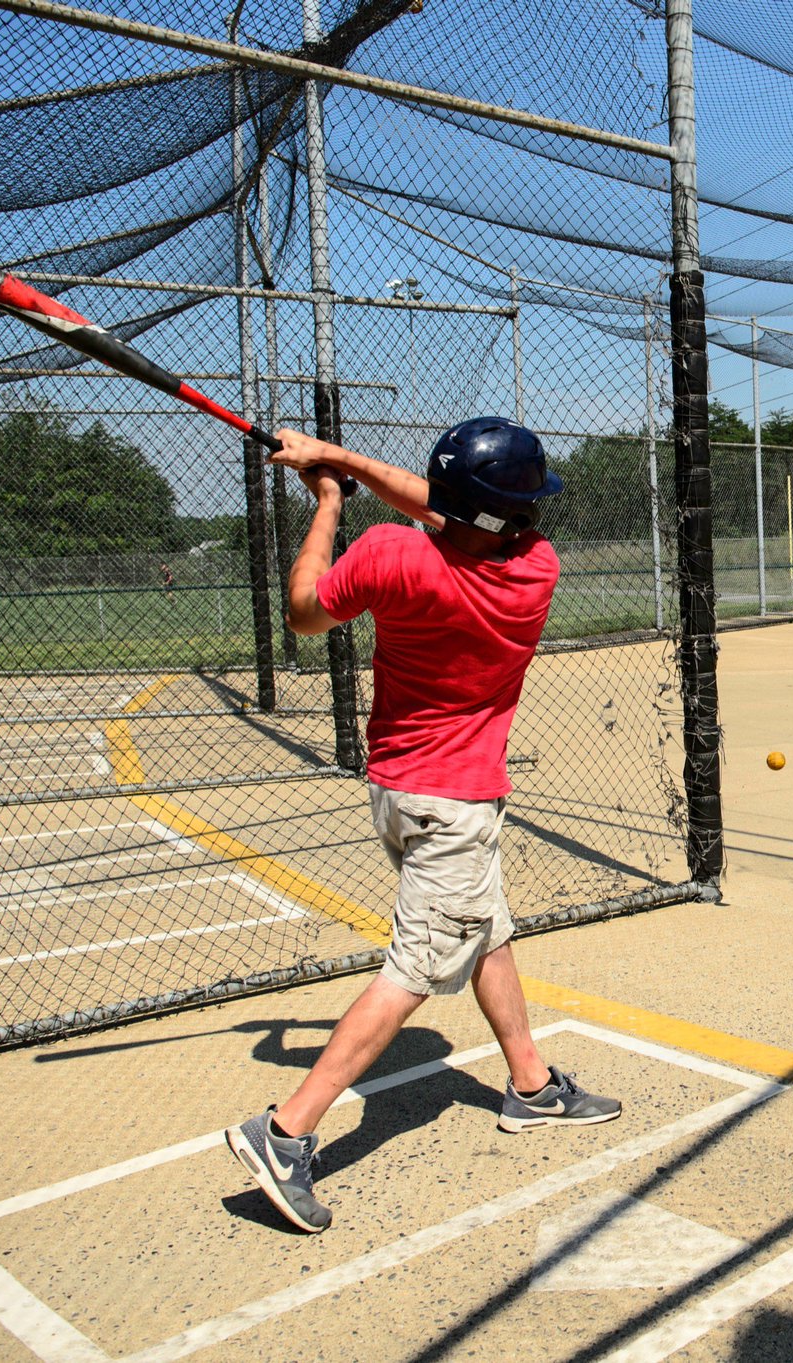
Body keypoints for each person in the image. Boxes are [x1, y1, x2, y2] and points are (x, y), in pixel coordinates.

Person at [225, 417, 620, 1235]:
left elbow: (303, 612)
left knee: (488, 931)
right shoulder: (534, 570)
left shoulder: (387, 556)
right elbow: (459, 513)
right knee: (413, 971)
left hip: (401, 792)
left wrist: (330, 498)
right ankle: (286, 1130)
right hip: (454, 805)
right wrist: (341, 461)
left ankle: (531, 1083)